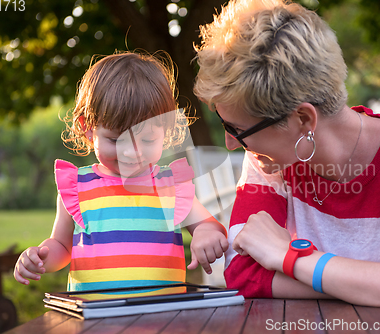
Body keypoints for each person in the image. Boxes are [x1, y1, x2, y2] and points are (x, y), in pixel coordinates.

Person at [193, 0, 380, 327]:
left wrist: (292, 258)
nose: (230, 143)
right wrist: (373, 285)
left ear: (302, 119)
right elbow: (242, 274)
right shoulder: (268, 162)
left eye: (237, 130)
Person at [13, 52, 228, 291]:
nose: (131, 153)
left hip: (162, 317)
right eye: (116, 140)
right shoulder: (78, 187)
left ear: (164, 131)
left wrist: (205, 235)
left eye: (147, 140)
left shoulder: (171, 186)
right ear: (88, 129)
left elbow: (206, 224)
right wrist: (41, 257)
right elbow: (62, 247)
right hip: (96, 318)